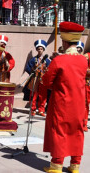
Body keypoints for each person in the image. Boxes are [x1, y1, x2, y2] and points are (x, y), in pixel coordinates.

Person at [42, 21, 87, 173]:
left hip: (62, 103)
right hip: (80, 104)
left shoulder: (58, 60)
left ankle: (56, 165)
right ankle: (75, 165)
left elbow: (46, 81)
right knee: (77, 132)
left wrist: (53, 63)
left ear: (64, 41)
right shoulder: (83, 60)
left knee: (60, 131)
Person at [23, 39, 51, 117]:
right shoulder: (33, 60)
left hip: (43, 80)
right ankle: (33, 109)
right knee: (33, 95)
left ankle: (41, 110)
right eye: (38, 49)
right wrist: (32, 70)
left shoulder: (47, 60)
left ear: (43, 50)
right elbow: (27, 68)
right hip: (34, 79)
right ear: (36, 50)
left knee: (43, 95)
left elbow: (50, 69)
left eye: (41, 49)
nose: (40, 50)